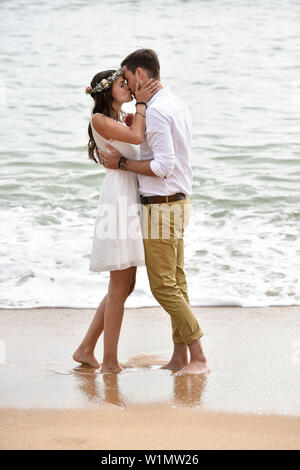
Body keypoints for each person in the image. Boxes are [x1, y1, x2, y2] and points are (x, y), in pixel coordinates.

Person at [98, 49, 210, 375]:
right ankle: (180, 357)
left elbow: (163, 165)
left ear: (141, 75)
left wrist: (121, 162)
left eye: (129, 79)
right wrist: (140, 126)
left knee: (163, 287)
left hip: (161, 208)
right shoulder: (174, 103)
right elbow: (165, 150)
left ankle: (200, 356)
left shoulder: (157, 111)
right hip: (177, 203)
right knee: (176, 282)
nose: (129, 87)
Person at [73, 67, 161, 373]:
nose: (129, 87)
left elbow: (135, 140)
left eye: (128, 83)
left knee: (123, 285)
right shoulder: (100, 120)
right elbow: (137, 136)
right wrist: (142, 104)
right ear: (107, 91)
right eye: (123, 84)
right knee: (119, 285)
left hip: (127, 196)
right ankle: (109, 361)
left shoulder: (117, 119)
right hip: (119, 201)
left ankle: (86, 348)